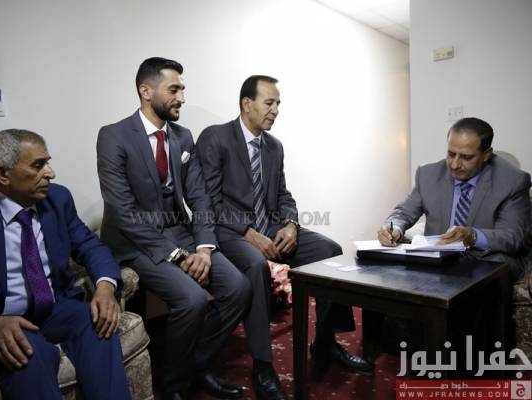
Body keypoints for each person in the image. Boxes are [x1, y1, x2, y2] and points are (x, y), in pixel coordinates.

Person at [196, 75, 373, 400]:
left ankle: (325, 343)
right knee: (256, 266)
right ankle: (263, 365)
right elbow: (209, 200)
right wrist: (248, 232)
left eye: (278, 103)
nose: (276, 110)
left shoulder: (273, 146)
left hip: (271, 226)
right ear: (246, 103)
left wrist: (291, 224)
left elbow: (283, 196)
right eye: (269, 102)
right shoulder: (216, 137)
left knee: (331, 251)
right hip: (230, 231)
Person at [0, 129, 132, 400]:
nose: (51, 173)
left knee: (98, 323)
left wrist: (105, 287)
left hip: (54, 309)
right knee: (28, 351)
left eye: (47, 163)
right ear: (3, 175)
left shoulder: (58, 199)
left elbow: (90, 246)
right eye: (38, 165)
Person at [96, 57, 250, 400]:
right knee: (192, 300)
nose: (182, 97)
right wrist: (178, 255)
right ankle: (174, 385)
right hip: (135, 241)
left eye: (182, 89)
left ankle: (198, 365)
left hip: (180, 233)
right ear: (146, 91)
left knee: (238, 287)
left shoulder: (183, 137)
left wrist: (204, 248)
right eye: (174, 89)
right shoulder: (113, 136)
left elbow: (201, 197)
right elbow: (123, 212)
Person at [378, 117, 531, 281]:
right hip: (438, 260)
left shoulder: (512, 181)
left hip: (486, 259)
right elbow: (404, 212)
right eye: (451, 154)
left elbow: (512, 238)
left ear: (486, 154)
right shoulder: (428, 174)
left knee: (491, 271)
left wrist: (473, 236)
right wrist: (393, 227)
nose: (454, 164)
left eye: (466, 157)